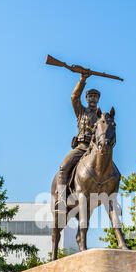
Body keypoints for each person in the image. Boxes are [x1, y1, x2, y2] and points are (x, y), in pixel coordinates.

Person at [55, 72, 101, 210]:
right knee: (63, 168)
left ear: (98, 99)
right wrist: (82, 79)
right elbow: (74, 97)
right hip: (81, 147)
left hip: (95, 150)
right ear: (86, 98)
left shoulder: (101, 117)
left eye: (95, 96)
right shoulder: (81, 111)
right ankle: (62, 199)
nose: (93, 98)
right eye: (90, 96)